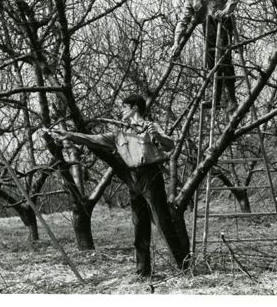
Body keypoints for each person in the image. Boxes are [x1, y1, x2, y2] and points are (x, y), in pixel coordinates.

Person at [50, 94, 190, 277]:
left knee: (164, 223)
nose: (121, 111)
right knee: (139, 225)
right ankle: (143, 272)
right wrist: (70, 135)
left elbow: (169, 145)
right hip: (134, 179)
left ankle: (184, 268)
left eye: (124, 107)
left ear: (134, 108)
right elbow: (93, 139)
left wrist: (155, 135)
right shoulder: (119, 134)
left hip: (151, 176)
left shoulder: (151, 126)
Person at [175, 0, 239, 110]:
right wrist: (176, 42)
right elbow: (183, 21)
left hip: (224, 24)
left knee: (224, 59)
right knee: (211, 63)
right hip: (209, 29)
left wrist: (225, 11)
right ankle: (216, 98)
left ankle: (232, 98)